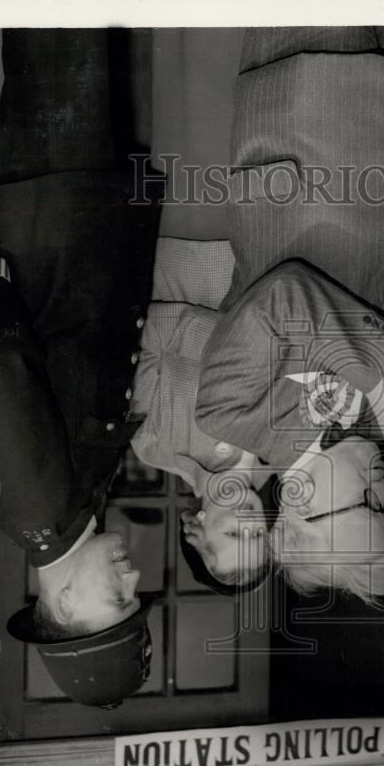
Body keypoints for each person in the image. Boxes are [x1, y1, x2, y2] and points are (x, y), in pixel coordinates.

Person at [0, 29, 159, 707]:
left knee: (60, 34)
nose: (131, 580)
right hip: (71, 202)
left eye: (118, 599)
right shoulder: (71, 509)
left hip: (48, 204)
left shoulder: (36, 505)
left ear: (64, 606)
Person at [195, 27, 384, 602]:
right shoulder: (378, 429)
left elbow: (286, 298)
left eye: (366, 503)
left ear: (298, 508)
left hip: (311, 97)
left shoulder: (229, 412)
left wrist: (383, 388)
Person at [128, 29, 275, 593]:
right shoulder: (288, 440)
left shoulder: (155, 444)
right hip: (265, 236)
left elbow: (156, 332)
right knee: (261, 82)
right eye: (258, 538)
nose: (248, 527)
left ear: (195, 532)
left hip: (190, 230)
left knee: (197, 73)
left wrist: (243, 339)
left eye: (232, 539)